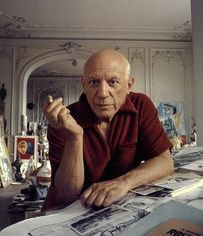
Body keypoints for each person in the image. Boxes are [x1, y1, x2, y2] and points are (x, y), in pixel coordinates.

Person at [42, 49, 173, 211]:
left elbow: (165, 162)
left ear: (128, 85)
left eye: (113, 82)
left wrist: (124, 182)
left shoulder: (141, 105)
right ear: (83, 85)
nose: (103, 93)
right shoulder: (63, 120)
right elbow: (67, 193)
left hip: (119, 208)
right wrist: (74, 138)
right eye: (94, 82)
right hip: (68, 211)